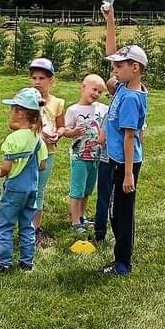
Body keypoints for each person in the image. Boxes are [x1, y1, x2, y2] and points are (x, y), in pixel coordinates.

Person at [95, 42, 149, 277]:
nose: (114, 69)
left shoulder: (129, 98)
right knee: (115, 212)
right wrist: (110, 18)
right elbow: (110, 52)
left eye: (119, 65)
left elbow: (130, 136)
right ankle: (120, 258)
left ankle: (122, 263)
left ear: (134, 67)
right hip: (117, 160)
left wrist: (128, 173)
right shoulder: (122, 89)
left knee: (122, 214)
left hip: (125, 163)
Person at [0, 88, 48, 273]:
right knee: (27, 224)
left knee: (5, 225)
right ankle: (26, 263)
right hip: (32, 189)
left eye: (13, 108)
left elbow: (7, 167)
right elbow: (42, 165)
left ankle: (4, 263)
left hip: (14, 189)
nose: (11, 112)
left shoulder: (12, 138)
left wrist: (0, 173)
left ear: (20, 112)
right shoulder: (38, 138)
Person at [58, 74, 109, 234]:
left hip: (96, 157)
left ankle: (81, 216)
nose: (96, 94)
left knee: (87, 190)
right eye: (94, 89)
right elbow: (65, 130)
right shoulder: (74, 110)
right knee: (77, 190)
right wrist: (73, 131)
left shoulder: (102, 108)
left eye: (100, 92)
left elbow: (107, 124)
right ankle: (74, 221)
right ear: (83, 87)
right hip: (79, 157)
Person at [27, 58, 65, 247]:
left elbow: (62, 126)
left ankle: (35, 228)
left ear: (52, 80)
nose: (37, 82)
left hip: (47, 155)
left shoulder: (57, 103)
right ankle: (24, 225)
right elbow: (17, 124)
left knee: (39, 191)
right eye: (33, 77)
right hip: (28, 154)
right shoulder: (27, 100)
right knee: (26, 190)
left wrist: (57, 134)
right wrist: (39, 134)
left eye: (42, 77)